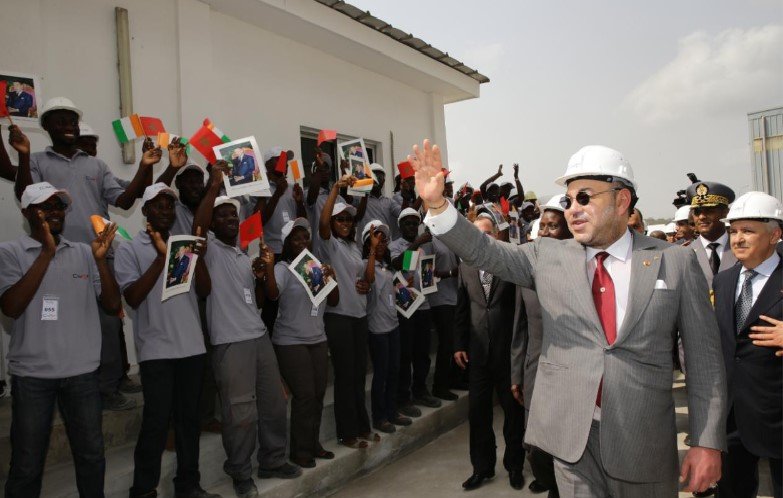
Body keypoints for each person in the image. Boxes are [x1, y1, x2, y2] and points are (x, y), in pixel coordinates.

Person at [411, 139, 727, 496]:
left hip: (643, 441)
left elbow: (704, 361)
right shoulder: (548, 256)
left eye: (584, 197)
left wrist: (707, 441)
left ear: (622, 200)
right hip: (572, 443)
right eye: (568, 200)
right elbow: (485, 251)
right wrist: (438, 205)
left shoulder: (676, 262)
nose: (572, 208)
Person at [14, 97, 159, 411]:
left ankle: (106, 390)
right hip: (55, 256)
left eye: (71, 120)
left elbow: (123, 200)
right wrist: (24, 157)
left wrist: (145, 167)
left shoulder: (96, 165)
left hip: (98, 254)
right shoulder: (38, 160)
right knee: (60, 323)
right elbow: (24, 195)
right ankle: (58, 390)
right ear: (47, 126)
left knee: (108, 323)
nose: (67, 126)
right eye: (60, 120)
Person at [1, 182, 120, 498]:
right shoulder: (9, 252)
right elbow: (11, 307)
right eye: (46, 207)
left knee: (92, 456)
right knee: (27, 464)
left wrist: (100, 261)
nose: (55, 212)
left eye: (59, 206)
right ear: (28, 212)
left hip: (82, 374)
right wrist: (46, 253)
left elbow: (112, 305)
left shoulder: (84, 252)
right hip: (32, 377)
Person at [194, 171, 303, 496]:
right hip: (230, 343)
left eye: (233, 215)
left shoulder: (244, 256)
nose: (230, 218)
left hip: (258, 338)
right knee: (239, 414)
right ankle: (240, 472)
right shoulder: (209, 250)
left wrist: (260, 275)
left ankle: (272, 460)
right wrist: (214, 185)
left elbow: (258, 301)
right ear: (213, 225)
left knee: (273, 404)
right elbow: (196, 232)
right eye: (223, 215)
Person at [114, 183, 218, 498]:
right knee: (156, 422)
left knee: (189, 421)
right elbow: (132, 297)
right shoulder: (129, 249)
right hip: (156, 350)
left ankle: (188, 485)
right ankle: (143, 489)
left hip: (191, 347)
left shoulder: (183, 244)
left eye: (170, 206)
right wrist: (162, 258)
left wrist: (196, 258)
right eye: (158, 205)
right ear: (144, 210)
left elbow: (204, 291)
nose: (165, 211)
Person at [712, 191, 782, 498]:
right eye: (734, 230)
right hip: (731, 417)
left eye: (748, 231)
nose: (738, 239)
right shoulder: (723, 280)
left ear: (775, 235)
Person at [454, 214, 526, 491]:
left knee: (512, 414)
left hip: (508, 354)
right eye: (477, 234)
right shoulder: (465, 268)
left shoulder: (510, 264)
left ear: (496, 235)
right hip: (477, 356)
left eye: (487, 233)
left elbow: (522, 312)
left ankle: (515, 466)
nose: (482, 238)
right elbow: (462, 309)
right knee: (478, 414)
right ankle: (481, 468)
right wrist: (459, 344)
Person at [511, 194, 572, 498]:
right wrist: (517, 375)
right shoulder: (526, 274)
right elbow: (520, 330)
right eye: (543, 226)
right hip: (536, 372)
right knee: (535, 447)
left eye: (554, 226)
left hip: (574, 375)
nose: (546, 232)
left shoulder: (584, 272)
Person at [267, 218, 338, 469]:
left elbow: (335, 300)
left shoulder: (315, 265)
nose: (302, 241)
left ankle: (313, 443)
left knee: (318, 394)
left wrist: (332, 277)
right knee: (305, 395)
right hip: (290, 341)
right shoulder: (283, 268)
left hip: (318, 338)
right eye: (296, 238)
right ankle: (299, 451)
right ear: (286, 243)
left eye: (305, 237)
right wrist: (267, 269)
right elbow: (272, 294)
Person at [318, 175, 375, 449]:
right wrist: (335, 188)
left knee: (357, 376)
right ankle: (347, 433)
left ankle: (363, 426)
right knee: (344, 377)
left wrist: (364, 283)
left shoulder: (353, 247)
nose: (345, 223)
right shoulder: (330, 244)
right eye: (340, 219)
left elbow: (365, 279)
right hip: (339, 317)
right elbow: (322, 223)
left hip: (359, 317)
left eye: (349, 220)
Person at [361, 220, 412, 433]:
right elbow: (369, 278)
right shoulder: (366, 263)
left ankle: (392, 411)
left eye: (384, 240)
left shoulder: (387, 266)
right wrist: (372, 251)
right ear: (368, 243)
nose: (381, 244)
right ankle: (379, 416)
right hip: (377, 330)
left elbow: (399, 284)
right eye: (376, 240)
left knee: (394, 371)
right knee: (381, 374)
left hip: (393, 326)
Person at [390, 208, 441, 413]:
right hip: (405, 307)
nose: (412, 227)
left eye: (415, 223)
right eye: (408, 223)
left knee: (422, 353)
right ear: (400, 225)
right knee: (406, 354)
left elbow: (421, 271)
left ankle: (421, 391)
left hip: (424, 305)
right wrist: (418, 242)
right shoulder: (395, 246)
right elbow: (398, 263)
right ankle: (403, 398)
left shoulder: (424, 249)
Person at [254, 147, 307, 331]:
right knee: (271, 303)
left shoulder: (293, 188)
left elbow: (302, 222)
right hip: (272, 255)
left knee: (293, 299)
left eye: (285, 161)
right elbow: (259, 221)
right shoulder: (261, 188)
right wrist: (277, 192)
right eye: (279, 160)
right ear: (268, 164)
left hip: (292, 253)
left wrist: (299, 201)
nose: (283, 165)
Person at [687, 181, 738, 289]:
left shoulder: (743, 248)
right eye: (697, 212)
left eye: (709, 210)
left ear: (725, 212)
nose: (701, 217)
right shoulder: (684, 253)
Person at [354, 163, 402, 241]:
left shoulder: (390, 202)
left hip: (383, 248)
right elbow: (347, 200)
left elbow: (404, 214)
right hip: (364, 249)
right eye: (373, 176)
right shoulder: (359, 199)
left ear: (384, 181)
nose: (376, 179)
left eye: (379, 177)